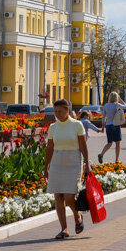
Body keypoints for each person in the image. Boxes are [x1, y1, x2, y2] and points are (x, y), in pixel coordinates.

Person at [43, 99, 90, 240]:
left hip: (73, 162)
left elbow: (83, 146)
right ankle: (64, 229)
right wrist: (46, 167)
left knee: (69, 196)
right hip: (57, 162)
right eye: (55, 112)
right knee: (58, 196)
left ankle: (77, 216)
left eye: (60, 111)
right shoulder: (53, 127)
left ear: (67, 110)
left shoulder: (77, 125)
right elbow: (50, 148)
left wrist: (87, 163)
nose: (57, 114)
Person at [98, 91, 126, 164]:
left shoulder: (106, 105)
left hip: (108, 125)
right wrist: (120, 99)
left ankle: (101, 154)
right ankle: (116, 160)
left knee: (109, 143)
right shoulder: (117, 104)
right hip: (116, 125)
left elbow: (103, 117)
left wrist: (102, 126)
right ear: (116, 97)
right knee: (117, 143)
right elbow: (125, 106)